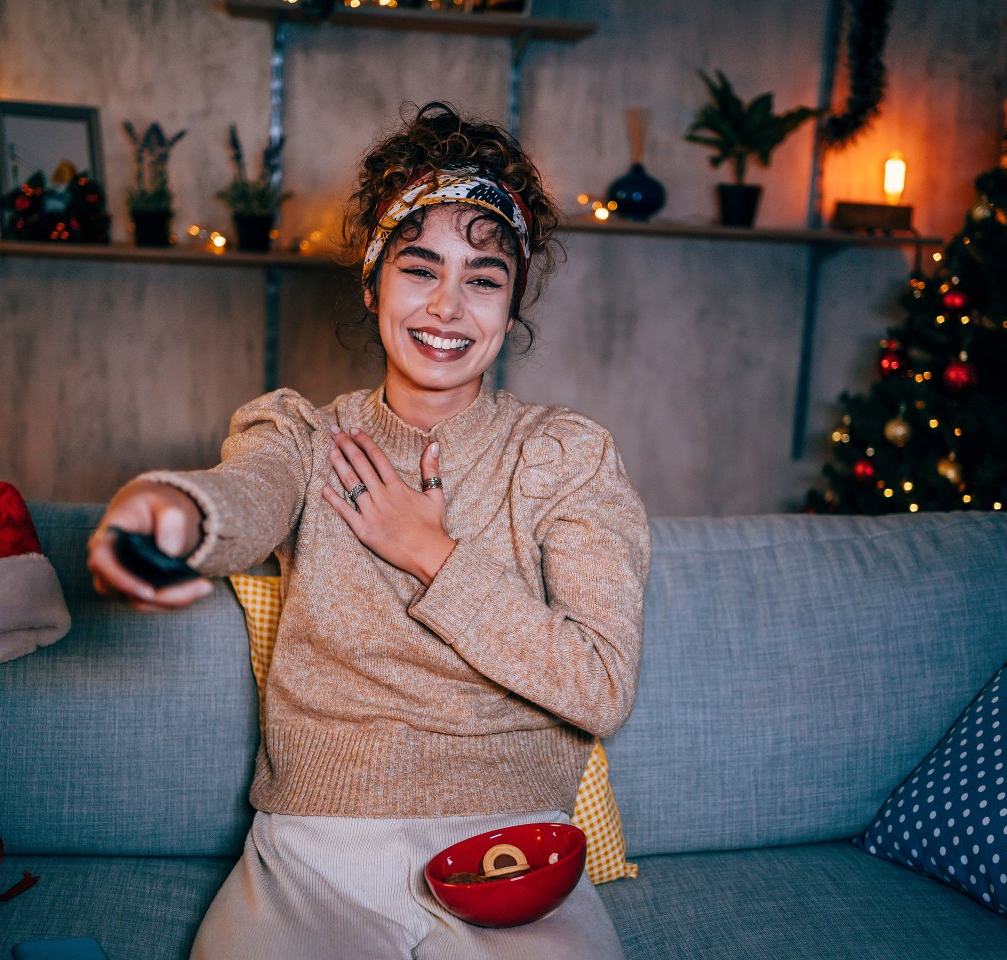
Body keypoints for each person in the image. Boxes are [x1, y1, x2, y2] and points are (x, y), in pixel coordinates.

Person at [86, 102, 650, 960]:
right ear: (375, 281)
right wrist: (173, 514)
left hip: (515, 856)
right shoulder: (303, 437)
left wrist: (429, 553)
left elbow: (601, 685)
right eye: (420, 269)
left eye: (485, 279)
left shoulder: (564, 455)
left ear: (512, 304)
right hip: (316, 854)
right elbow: (241, 497)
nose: (449, 307)